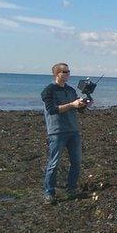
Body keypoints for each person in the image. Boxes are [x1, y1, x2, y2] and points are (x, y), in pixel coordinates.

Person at [40, 62, 89, 204]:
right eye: (65, 72)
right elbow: (52, 109)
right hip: (57, 132)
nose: (68, 74)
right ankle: (49, 192)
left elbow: (78, 109)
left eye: (68, 72)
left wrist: (83, 105)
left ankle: (71, 188)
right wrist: (72, 105)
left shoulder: (71, 90)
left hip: (73, 130)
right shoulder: (48, 91)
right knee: (53, 163)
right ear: (57, 74)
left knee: (76, 162)